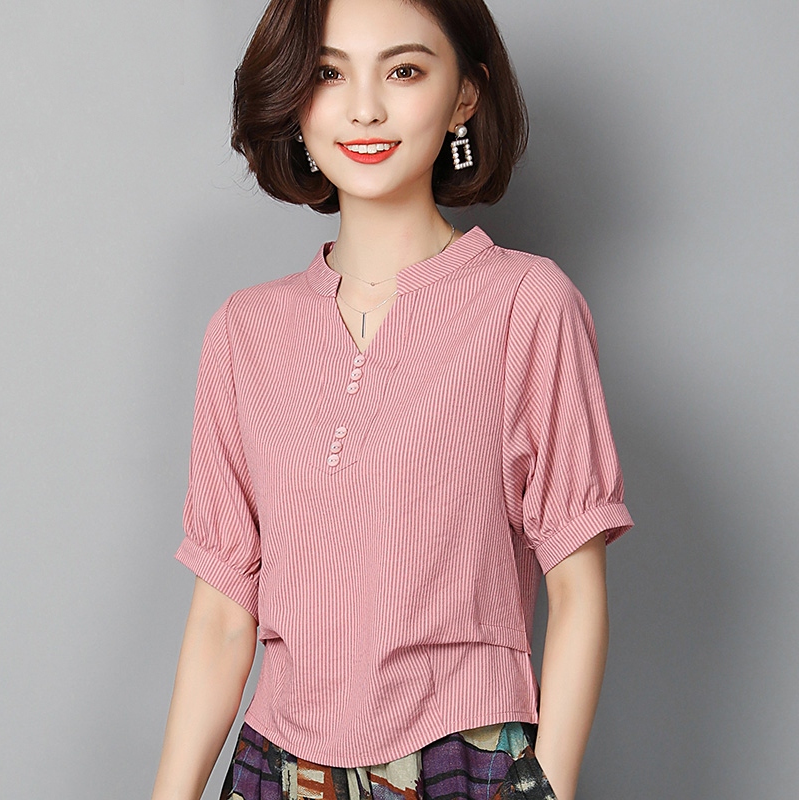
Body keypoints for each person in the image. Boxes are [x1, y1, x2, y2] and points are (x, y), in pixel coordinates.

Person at [151, 0, 635, 798]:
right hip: (278, 765)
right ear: (294, 99)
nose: (364, 108)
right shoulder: (243, 330)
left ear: (465, 95)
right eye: (328, 73)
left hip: (465, 755)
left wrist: (546, 787)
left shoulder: (528, 305)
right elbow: (222, 615)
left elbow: (578, 589)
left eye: (404, 70)